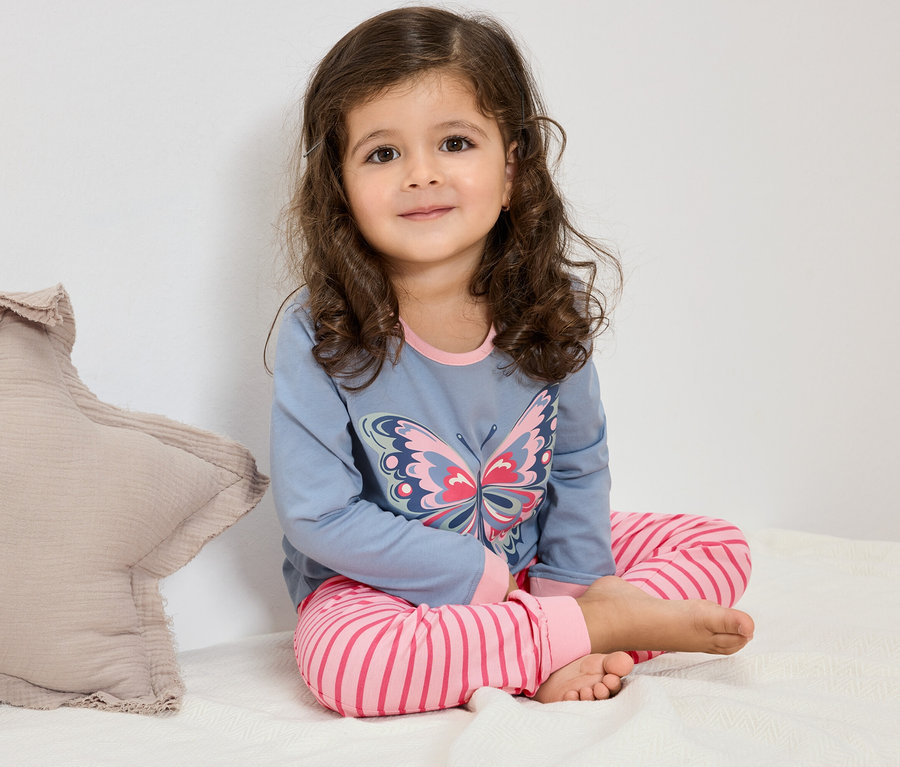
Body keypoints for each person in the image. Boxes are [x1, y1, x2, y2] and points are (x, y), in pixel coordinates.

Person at [270, 6, 754, 718]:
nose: (421, 174)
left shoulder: (551, 304)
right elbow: (321, 517)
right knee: (352, 667)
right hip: (385, 585)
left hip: (534, 555)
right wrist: (482, 576)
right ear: (340, 190)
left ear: (512, 171)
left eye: (456, 142)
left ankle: (556, 630)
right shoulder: (321, 332)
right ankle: (587, 634)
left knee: (722, 546)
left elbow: (578, 459)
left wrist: (572, 580)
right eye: (382, 153)